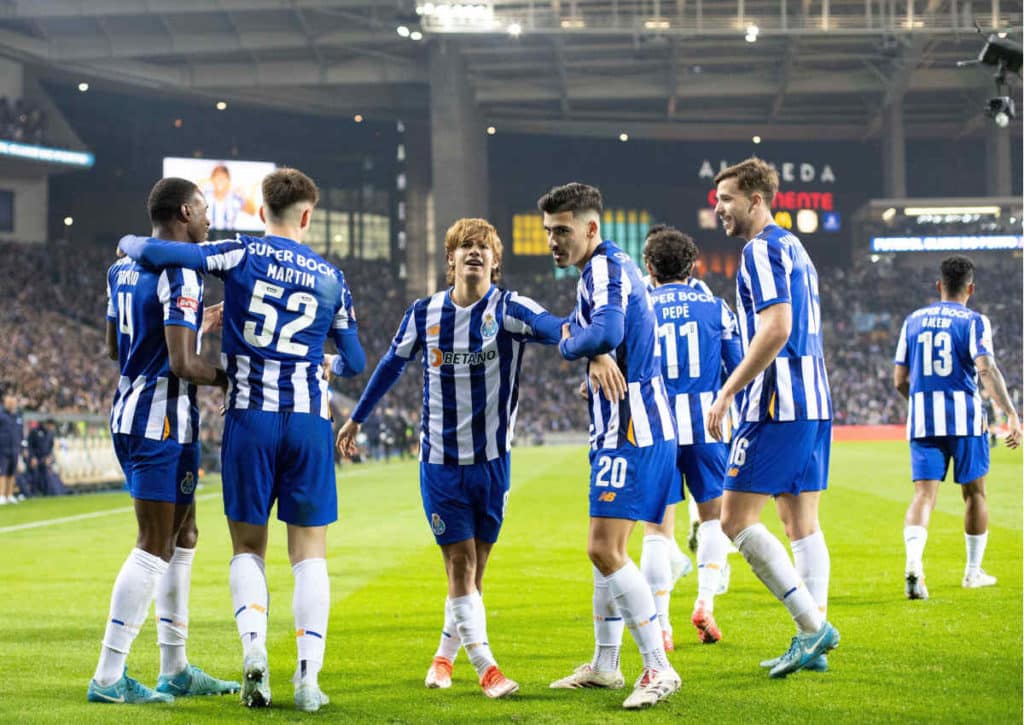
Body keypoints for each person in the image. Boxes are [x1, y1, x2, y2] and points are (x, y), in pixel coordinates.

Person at [119, 167, 366, 712]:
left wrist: (127, 240)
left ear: (260, 212)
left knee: (247, 548)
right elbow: (355, 360)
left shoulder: (238, 254)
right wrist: (319, 358)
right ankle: (307, 680)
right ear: (306, 216)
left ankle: (254, 652)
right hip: (306, 420)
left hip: (249, 417)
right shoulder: (332, 277)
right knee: (309, 556)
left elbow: (160, 255)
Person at [335, 217, 564, 700]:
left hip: (492, 461)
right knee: (458, 565)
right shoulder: (424, 315)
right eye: (466, 246)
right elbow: (391, 363)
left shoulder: (508, 309)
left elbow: (557, 329)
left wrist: (598, 349)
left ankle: (443, 656)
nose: (475, 252)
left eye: (484, 246)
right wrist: (357, 417)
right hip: (439, 461)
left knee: (474, 573)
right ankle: (487, 668)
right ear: (451, 261)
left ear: (496, 261)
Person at [88, 177, 239, 705]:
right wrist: (231, 378)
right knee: (153, 544)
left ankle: (175, 667)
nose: (208, 219)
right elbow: (182, 363)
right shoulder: (182, 271)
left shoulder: (120, 268)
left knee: (185, 534)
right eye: (202, 210)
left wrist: (193, 322)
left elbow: (115, 347)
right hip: (161, 424)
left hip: (132, 412)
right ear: (183, 212)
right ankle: (108, 677)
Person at [541, 183, 681, 710]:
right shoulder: (608, 269)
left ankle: (659, 667)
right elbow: (613, 335)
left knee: (604, 549)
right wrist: (597, 355)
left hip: (632, 430)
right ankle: (605, 664)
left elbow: (607, 330)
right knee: (605, 551)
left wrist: (575, 344)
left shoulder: (603, 267)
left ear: (591, 228)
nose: (554, 240)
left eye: (563, 230)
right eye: (549, 231)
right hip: (622, 427)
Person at [706, 157, 839, 678]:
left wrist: (726, 392)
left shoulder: (759, 250)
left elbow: (777, 327)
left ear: (755, 201)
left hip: (775, 404)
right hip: (814, 401)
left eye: (727, 200)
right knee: (801, 524)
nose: (719, 209)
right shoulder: (795, 248)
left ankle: (812, 629)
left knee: (734, 520)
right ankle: (814, 643)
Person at [894, 255, 1021, 598]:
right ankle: (972, 572)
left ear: (939, 285)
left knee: (923, 495)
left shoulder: (913, 320)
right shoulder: (975, 321)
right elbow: (986, 369)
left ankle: (914, 566)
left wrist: (921, 401)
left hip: (923, 420)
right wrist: (1010, 413)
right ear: (971, 288)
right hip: (965, 419)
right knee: (975, 493)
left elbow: (899, 380)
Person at [641, 226, 741, 648]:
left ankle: (661, 626)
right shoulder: (717, 309)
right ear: (693, 265)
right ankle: (705, 604)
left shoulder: (639, 309)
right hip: (707, 425)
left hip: (656, 429)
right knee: (715, 518)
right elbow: (737, 368)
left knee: (657, 531)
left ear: (649, 267)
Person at [204, 164, 257, 231]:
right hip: (208, 238)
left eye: (224, 177)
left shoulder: (235, 198)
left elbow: (252, 212)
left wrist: (244, 196)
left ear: (228, 181)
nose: (220, 180)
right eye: (217, 177)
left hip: (229, 238)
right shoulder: (205, 197)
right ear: (212, 179)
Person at [0, 388, 23, 504]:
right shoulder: (1, 415)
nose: (13, 405)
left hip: (15, 448)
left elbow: (20, 432)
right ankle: (1, 495)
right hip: (2, 449)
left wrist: (22, 447)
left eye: (14, 403)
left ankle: (9, 494)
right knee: (2, 472)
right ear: (6, 403)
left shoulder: (18, 416)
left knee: (11, 473)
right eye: (11, 403)